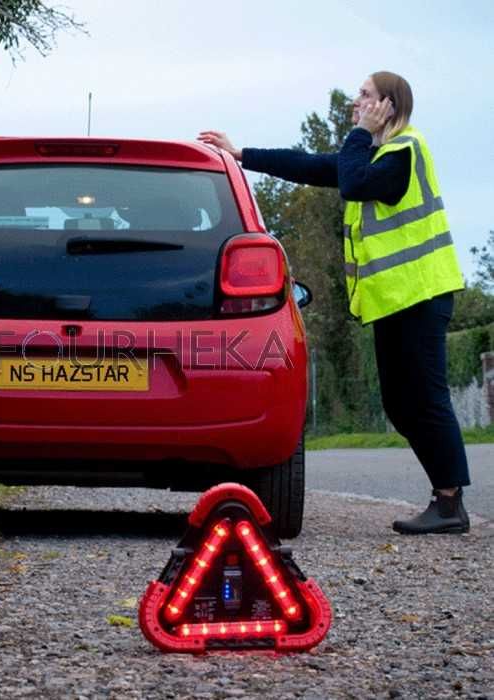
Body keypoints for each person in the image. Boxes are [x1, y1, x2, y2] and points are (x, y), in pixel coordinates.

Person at [198, 71, 471, 535]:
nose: (355, 102)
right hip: (393, 299)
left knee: (426, 398)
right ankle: (445, 498)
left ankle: (449, 503)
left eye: (365, 96)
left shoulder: (403, 152)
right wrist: (241, 154)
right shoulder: (375, 154)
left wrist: (361, 134)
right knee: (400, 404)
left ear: (389, 104)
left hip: (422, 294)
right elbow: (311, 165)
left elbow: (356, 183)